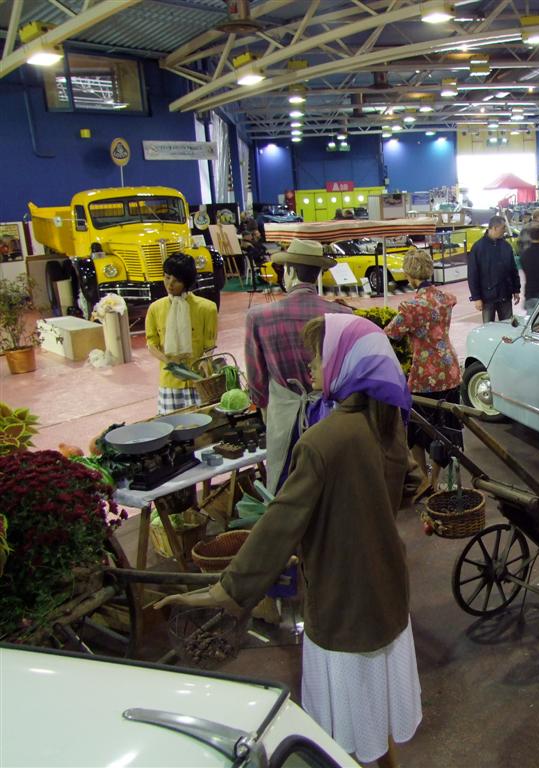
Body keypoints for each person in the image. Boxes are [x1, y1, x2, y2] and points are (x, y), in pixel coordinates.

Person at [156, 313, 420, 768]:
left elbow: (280, 524)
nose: (311, 367)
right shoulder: (386, 423)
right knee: (378, 709)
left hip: (340, 601)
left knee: (347, 722)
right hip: (387, 588)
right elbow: (407, 485)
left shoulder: (323, 441)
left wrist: (227, 590)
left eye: (318, 357)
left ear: (345, 364)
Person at [244, 239, 351, 492]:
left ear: (290, 272)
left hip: (284, 417)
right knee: (328, 486)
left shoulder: (258, 317)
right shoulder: (342, 315)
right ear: (317, 274)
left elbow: (256, 378)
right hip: (330, 417)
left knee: (286, 487)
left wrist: (262, 405)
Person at [384, 249, 462, 496]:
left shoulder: (411, 307)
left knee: (417, 429)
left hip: (424, 375)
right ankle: (436, 479)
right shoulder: (446, 298)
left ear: (409, 275)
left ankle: (424, 479)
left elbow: (390, 334)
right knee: (445, 428)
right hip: (450, 369)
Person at [145, 253, 219, 414]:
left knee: (202, 424)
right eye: (167, 277)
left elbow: (210, 343)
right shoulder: (155, 309)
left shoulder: (207, 308)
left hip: (199, 380)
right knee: (171, 424)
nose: (170, 284)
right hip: (170, 382)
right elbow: (151, 343)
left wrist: (206, 360)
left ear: (187, 282)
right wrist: (169, 362)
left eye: (177, 280)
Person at [467, 215, 520, 322]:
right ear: (495, 228)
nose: (505, 230)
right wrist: (476, 297)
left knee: (507, 326)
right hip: (487, 298)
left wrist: (516, 289)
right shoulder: (478, 248)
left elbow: (513, 269)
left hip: (505, 295)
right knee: (488, 328)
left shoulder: (506, 246)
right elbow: (473, 274)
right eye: (503, 228)